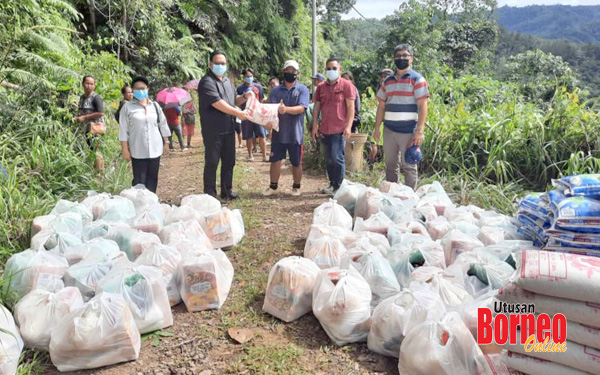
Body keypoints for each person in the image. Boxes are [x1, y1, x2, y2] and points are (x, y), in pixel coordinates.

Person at [374, 44, 430, 190]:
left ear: (411, 59)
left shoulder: (417, 79)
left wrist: (420, 130)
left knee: (409, 165)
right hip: (389, 130)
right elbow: (381, 106)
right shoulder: (387, 81)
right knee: (391, 165)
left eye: (405, 56)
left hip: (409, 131)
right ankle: (393, 195)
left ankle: (410, 196)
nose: (401, 59)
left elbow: (423, 105)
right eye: (398, 56)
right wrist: (377, 128)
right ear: (394, 59)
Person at [197, 50, 249, 200]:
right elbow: (218, 103)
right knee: (212, 162)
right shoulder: (207, 82)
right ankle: (210, 194)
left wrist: (245, 96)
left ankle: (227, 190)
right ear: (210, 64)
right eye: (217, 63)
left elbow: (234, 100)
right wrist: (238, 113)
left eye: (223, 63)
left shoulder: (227, 82)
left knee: (229, 161)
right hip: (213, 130)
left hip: (229, 128)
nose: (220, 66)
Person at [262, 60, 310, 197]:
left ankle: (296, 187)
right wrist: (266, 123)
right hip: (278, 133)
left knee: (296, 162)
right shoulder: (276, 91)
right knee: (275, 160)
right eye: (288, 71)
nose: (290, 73)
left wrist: (285, 109)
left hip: (296, 134)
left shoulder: (302, 89)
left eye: (293, 71)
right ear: (283, 72)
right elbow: (270, 109)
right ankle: (273, 186)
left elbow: (302, 108)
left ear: (297, 73)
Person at [118, 76, 171, 193]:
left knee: (153, 178)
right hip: (137, 150)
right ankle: (139, 205)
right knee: (139, 180)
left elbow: (162, 124)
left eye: (143, 88)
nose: (140, 91)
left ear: (147, 89)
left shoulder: (155, 106)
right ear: (133, 91)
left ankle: (151, 203)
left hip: (155, 149)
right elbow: (123, 129)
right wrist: (125, 150)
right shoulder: (127, 108)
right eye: (137, 89)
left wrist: (166, 142)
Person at [311, 58, 356, 194]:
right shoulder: (320, 88)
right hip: (325, 129)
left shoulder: (347, 86)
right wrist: (314, 126)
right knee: (329, 160)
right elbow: (316, 108)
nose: (331, 71)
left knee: (337, 158)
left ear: (340, 69)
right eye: (329, 68)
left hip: (339, 129)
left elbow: (351, 108)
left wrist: (348, 127)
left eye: (334, 68)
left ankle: (339, 187)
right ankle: (332, 184)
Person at [236, 68, 267, 162]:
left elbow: (261, 99)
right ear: (244, 77)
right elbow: (238, 101)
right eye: (247, 76)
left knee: (262, 135)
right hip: (246, 114)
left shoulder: (258, 87)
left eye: (250, 76)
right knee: (248, 135)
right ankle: (250, 155)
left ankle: (264, 156)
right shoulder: (240, 89)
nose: (249, 78)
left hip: (257, 114)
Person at [75, 75, 105, 170]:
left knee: (95, 149)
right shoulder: (82, 97)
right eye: (87, 83)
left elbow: (100, 113)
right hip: (87, 128)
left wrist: (85, 117)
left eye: (91, 84)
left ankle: (100, 172)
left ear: (94, 86)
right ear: (83, 84)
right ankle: (95, 169)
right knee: (91, 149)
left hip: (95, 127)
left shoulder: (96, 98)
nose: (89, 86)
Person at [368, 69, 394, 166]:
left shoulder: (390, 89)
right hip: (381, 120)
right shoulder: (383, 88)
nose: (382, 78)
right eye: (382, 76)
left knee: (378, 144)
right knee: (375, 143)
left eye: (385, 76)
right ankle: (372, 164)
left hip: (387, 121)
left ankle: (375, 164)